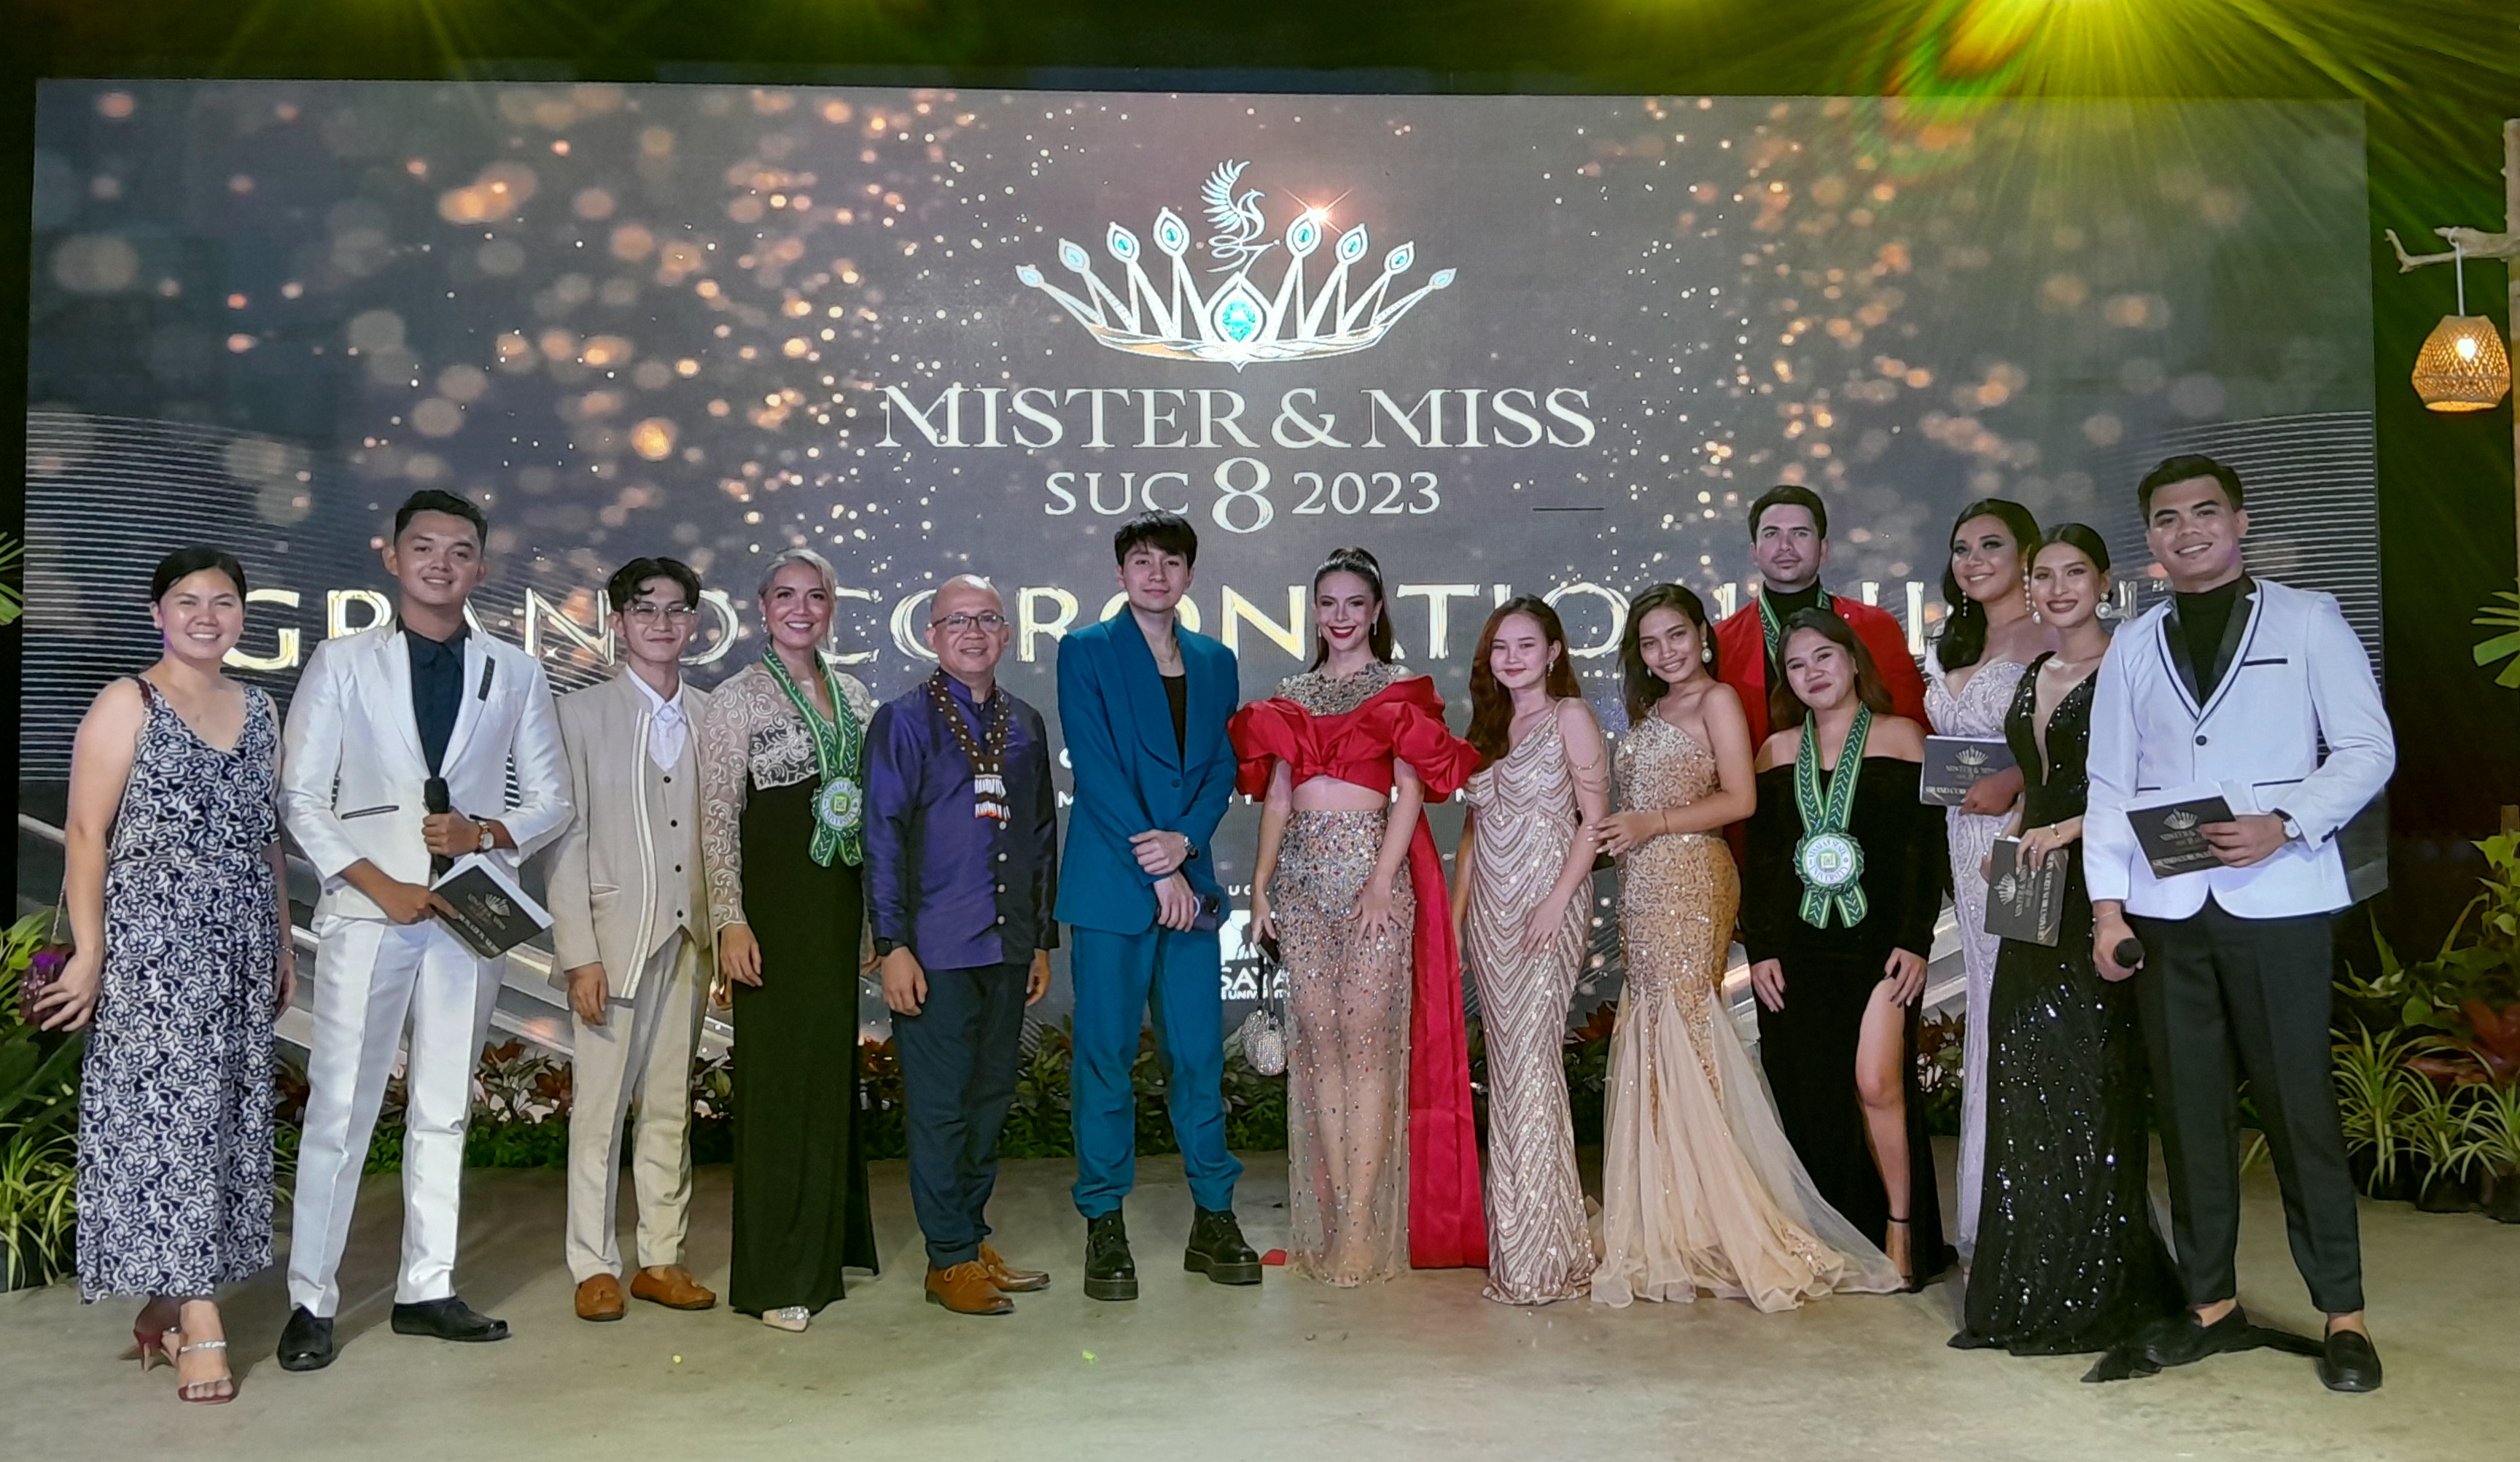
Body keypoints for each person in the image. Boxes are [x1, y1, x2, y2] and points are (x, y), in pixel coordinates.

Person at [2085, 455, 2395, 1393]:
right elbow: (2109, 782)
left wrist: (2286, 822)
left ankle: (2344, 1315)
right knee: (2189, 1114)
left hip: (2280, 901)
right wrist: (2107, 910)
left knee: (2301, 1108)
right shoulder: (2134, 643)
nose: (2187, 531)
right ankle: (2210, 1303)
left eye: (2205, 512)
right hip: (2169, 910)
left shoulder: (2308, 619)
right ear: (2151, 537)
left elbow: (2367, 747)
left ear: (2240, 521)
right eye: (2167, 518)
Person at [276, 490, 569, 1369]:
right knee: (342, 1107)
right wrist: (380, 883)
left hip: (469, 915)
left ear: (482, 566)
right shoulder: (342, 661)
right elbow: (301, 796)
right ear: (393, 556)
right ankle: (312, 1300)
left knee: (445, 1106)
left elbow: (553, 799)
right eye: (426, 547)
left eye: (460, 550)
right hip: (372, 912)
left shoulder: (514, 670)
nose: (442, 563)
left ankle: (427, 1288)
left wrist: (485, 833)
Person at [1586, 587, 1904, 1311]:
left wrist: (1652, 823)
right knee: (1654, 1029)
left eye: (1677, 635)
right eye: (1650, 642)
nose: (1666, 652)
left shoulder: (1719, 700)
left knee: (1687, 1029)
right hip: (1644, 884)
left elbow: (1741, 799)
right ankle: (1672, 1209)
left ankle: (1715, 1215)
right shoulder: (1651, 712)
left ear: (1703, 634)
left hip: (1692, 877)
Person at [39, 549, 289, 1403]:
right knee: (168, 1126)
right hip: (153, 948)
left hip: (241, 946)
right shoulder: (128, 702)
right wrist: (91, 952)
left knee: (221, 1122)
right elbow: (85, 832)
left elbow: (265, 838)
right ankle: (200, 1318)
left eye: (223, 601)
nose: (206, 616)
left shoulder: (262, 709)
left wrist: (283, 946)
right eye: (187, 601)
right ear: (158, 613)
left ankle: (165, 1303)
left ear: (243, 615)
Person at [1953, 526, 2181, 1360]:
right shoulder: (2036, 672)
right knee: (2021, 1078)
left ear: (2105, 581)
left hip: (2101, 888)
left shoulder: (2130, 666)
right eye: (2043, 575)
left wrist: (2067, 831)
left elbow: (2152, 786)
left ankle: (2094, 1288)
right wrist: (2018, 834)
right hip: (2030, 886)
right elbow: (2039, 780)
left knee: (2092, 1081)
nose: (2056, 589)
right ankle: (2024, 1288)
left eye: (2073, 573)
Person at [1234, 547, 1485, 1286]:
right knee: (1319, 1048)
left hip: (1373, 882)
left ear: (1376, 611)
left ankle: (1364, 1223)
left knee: (1367, 1044)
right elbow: (1278, 797)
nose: (1340, 617)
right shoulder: (1293, 693)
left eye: (1354, 603)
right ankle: (1340, 1215)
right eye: (1328, 604)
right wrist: (1260, 887)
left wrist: (1380, 881)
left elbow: (1411, 791)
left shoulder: (1400, 689)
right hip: (1302, 887)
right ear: (1314, 613)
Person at [1054, 510, 1262, 1302]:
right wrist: (1157, 863)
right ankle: (1104, 1221)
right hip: (1115, 885)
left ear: (1189, 576)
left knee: (1199, 1055)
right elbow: (1096, 767)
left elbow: (1219, 767)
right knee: (1105, 1055)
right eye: (1141, 561)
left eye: (1170, 562)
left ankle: (1215, 1215)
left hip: (1189, 885)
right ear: (1121, 574)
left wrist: (1186, 844)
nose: (1155, 574)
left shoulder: (1215, 660)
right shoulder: (1086, 650)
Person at [699, 547, 882, 1331]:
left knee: (827, 1074)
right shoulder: (734, 699)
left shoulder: (856, 695)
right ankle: (776, 1273)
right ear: (762, 607)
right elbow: (716, 819)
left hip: (835, 909)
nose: (801, 609)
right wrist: (729, 918)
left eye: (816, 596)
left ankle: (828, 1244)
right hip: (770, 915)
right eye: (786, 596)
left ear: (832, 607)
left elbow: (871, 817)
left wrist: (872, 921)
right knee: (778, 1086)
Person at [867, 575, 1059, 1317]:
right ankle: (947, 1256)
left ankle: (971, 1239)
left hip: (1007, 943)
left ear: (1007, 633)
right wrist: (892, 943)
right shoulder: (903, 721)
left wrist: (1040, 938)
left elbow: (1039, 834)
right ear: (931, 635)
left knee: (988, 1102)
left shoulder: (1025, 722)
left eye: (986, 619)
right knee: (941, 1108)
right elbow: (882, 837)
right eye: (956, 621)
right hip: (935, 947)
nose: (972, 633)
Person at [1741, 610, 1950, 1287]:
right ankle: (1832, 1235)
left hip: (1880, 946)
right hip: (1797, 950)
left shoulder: (1903, 736)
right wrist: (1761, 947)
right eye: (1797, 665)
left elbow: (1924, 850)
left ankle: (1901, 1227)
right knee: (1812, 1094)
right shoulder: (1775, 751)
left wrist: (1916, 939)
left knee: (1877, 1082)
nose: (1813, 672)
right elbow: (1762, 861)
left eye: (1824, 656)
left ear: (1854, 660)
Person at [546, 557, 718, 1323]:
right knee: (600, 1108)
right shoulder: (578, 715)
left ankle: (662, 1255)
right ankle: (592, 1263)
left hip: (692, 936)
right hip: (612, 941)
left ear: (694, 624)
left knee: (671, 1103)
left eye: (676, 610)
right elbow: (565, 841)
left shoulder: (714, 715)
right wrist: (578, 952)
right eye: (644, 609)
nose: (661, 623)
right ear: (617, 623)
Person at [1452, 598, 1606, 1304]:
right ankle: (1532, 1244)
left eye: (1525, 645)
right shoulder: (1487, 727)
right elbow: (1471, 835)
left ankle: (1540, 1258)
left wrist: (1555, 900)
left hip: (1550, 903)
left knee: (1533, 1063)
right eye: (1500, 647)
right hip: (1491, 908)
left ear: (1553, 653)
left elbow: (1594, 821)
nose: (1511, 658)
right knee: (1509, 1068)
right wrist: (1457, 922)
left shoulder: (1571, 715)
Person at [1922, 498, 2050, 1257]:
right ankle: (1990, 1217)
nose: (1973, 560)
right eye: (1962, 548)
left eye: (1991, 545)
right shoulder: (1957, 641)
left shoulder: (2052, 635)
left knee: (2025, 1010)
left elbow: (2079, 744)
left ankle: (2040, 1216)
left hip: (2025, 842)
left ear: (2027, 554)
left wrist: (2015, 784)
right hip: (1958, 841)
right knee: (1988, 1011)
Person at [1714, 484, 1929, 750]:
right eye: (1771, 534)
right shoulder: (1723, 642)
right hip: (1761, 774)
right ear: (1754, 553)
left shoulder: (1877, 626)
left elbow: (1915, 728)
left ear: (1824, 549)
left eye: (1800, 533)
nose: (1785, 546)